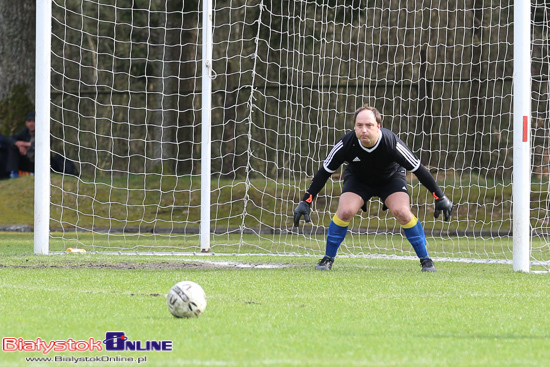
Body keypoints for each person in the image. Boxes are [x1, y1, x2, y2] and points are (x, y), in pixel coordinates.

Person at [293, 105, 453, 272]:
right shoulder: (346, 144)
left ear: (378, 126)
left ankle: (426, 260)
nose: (364, 130)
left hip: (391, 179)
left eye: (369, 125)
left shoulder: (392, 143)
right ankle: (327, 259)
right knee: (345, 211)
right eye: (359, 125)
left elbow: (419, 169)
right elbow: (324, 172)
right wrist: (306, 200)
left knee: (402, 212)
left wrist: (439, 196)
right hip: (358, 180)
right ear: (354, 127)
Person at [7, 112, 36, 176]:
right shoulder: (25, 131)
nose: (31, 124)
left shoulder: (44, 132)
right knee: (13, 148)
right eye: (29, 121)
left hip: (37, 161)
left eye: (34, 121)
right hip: (27, 160)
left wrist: (26, 144)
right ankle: (14, 174)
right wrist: (19, 145)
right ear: (26, 123)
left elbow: (41, 145)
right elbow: (11, 139)